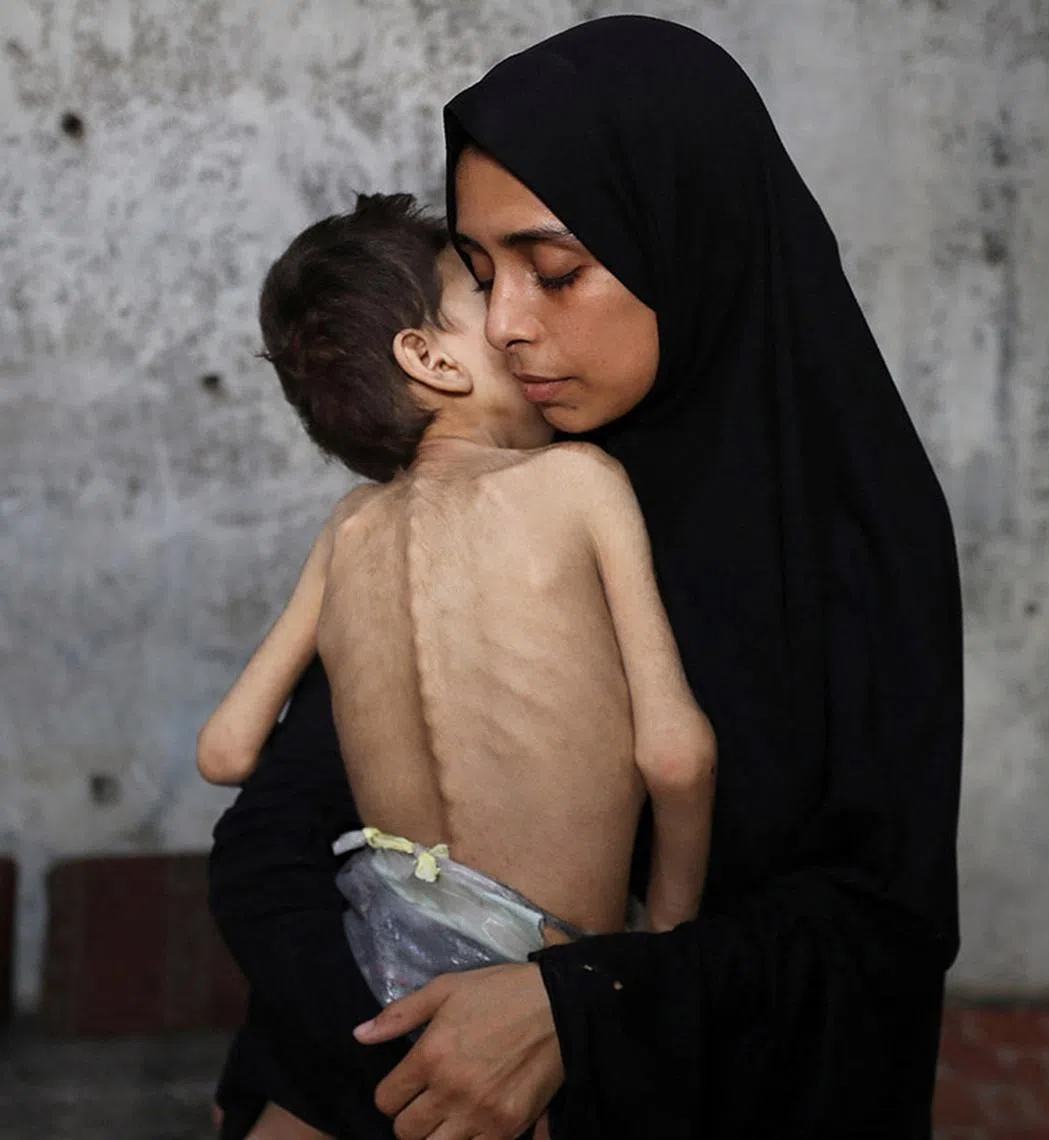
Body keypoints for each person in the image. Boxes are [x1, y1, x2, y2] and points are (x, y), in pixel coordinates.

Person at [210, 15, 962, 1139]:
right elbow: (277, 829)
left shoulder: (848, 528)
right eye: (477, 274)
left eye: (556, 272)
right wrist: (415, 1035)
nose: (507, 328)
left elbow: (875, 930)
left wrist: (586, 1010)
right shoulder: (496, 489)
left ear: (684, 239)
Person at [200, 192, 715, 1138]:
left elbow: (228, 751)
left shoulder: (349, 526)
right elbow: (676, 755)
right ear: (430, 358)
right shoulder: (578, 484)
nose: (523, 322)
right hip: (533, 977)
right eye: (486, 295)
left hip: (367, 958)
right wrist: (661, 957)